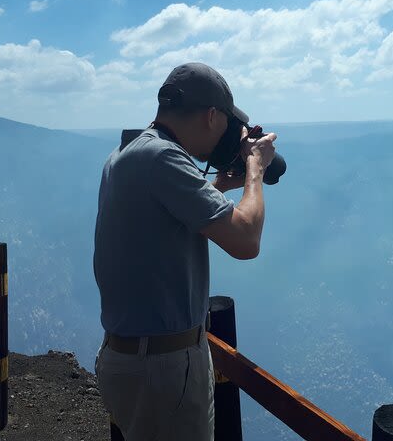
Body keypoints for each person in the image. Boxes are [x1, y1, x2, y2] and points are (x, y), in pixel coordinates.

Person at [92, 62, 277, 440]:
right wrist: (255, 169)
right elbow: (246, 241)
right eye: (226, 123)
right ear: (212, 115)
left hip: (131, 357)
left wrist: (220, 187)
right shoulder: (163, 158)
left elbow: (161, 220)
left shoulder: (128, 152)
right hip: (163, 366)